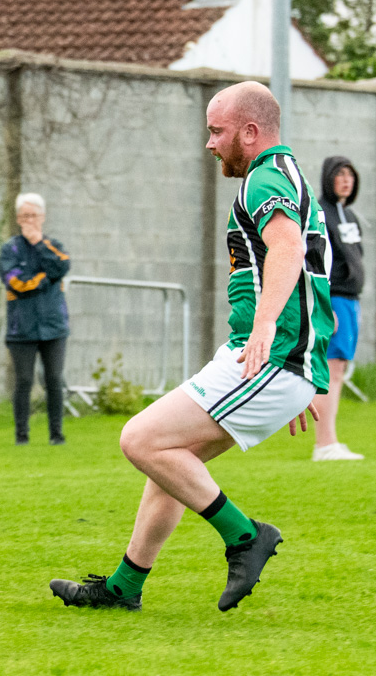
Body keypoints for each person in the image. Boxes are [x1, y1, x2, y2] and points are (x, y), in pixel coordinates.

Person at [49, 81, 331, 613]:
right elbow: (315, 270)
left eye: (216, 131)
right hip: (276, 360)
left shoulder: (264, 178)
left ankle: (246, 537)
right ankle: (123, 587)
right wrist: (306, 373)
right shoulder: (289, 175)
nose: (209, 143)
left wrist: (272, 333)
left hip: (265, 357)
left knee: (141, 441)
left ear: (251, 132)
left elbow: (290, 250)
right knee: (171, 462)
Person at [0, 193, 71, 445]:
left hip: (54, 327)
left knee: (54, 380)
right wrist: (43, 279)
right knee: (24, 381)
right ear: (18, 219)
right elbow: (15, 282)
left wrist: (39, 244)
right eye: (25, 216)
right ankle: (21, 436)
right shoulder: (10, 249)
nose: (29, 220)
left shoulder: (53, 245)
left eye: (34, 215)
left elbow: (61, 267)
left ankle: (56, 436)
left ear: (43, 217)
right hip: (22, 329)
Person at [312, 156, 365, 461]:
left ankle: (330, 441)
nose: (346, 180)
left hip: (350, 302)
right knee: (330, 370)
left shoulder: (351, 217)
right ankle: (324, 444)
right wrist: (324, 303)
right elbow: (318, 261)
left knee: (339, 369)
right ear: (328, 178)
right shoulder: (322, 215)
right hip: (334, 301)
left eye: (350, 174)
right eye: (340, 174)